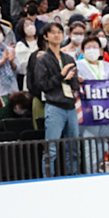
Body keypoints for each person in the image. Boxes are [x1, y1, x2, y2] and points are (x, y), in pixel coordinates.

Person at [32, 22, 78, 177]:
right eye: (53, 32)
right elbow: (42, 85)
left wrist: (71, 79)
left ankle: (73, 176)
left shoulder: (68, 58)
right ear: (46, 36)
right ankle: (48, 179)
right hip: (54, 106)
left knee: (73, 147)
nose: (57, 35)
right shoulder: (43, 59)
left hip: (70, 106)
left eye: (59, 32)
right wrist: (61, 75)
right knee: (51, 149)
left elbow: (75, 84)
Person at [76, 35, 109, 173]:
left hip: (107, 112)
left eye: (95, 47)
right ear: (82, 50)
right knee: (90, 147)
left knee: (106, 145)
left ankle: (104, 171)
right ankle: (92, 174)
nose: (92, 50)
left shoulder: (107, 66)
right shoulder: (77, 66)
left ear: (101, 50)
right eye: (88, 47)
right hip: (88, 112)